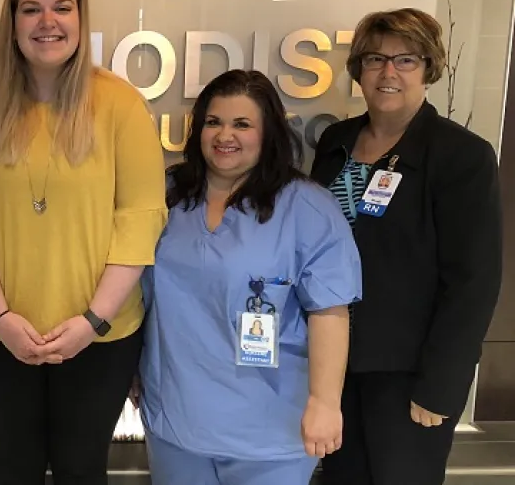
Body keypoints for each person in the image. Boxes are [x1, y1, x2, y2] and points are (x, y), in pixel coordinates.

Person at [0, 0, 167, 484]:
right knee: (13, 467)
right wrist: (1, 319)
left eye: (62, 8)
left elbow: (139, 221)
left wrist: (92, 321)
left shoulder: (120, 104)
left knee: (81, 469)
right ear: (12, 21)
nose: (48, 22)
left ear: (80, 19)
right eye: (31, 9)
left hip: (100, 337)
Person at [137, 69, 362, 485]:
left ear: (269, 133)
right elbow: (140, 293)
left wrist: (325, 402)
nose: (225, 135)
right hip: (175, 422)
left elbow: (330, 310)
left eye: (242, 124)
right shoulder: (166, 194)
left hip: (270, 432)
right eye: (213, 122)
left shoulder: (308, 209)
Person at [310, 8, 502, 485]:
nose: (388, 72)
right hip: (333, 366)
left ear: (429, 67)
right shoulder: (336, 141)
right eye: (375, 58)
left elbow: (473, 282)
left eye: (405, 60)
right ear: (358, 69)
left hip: (409, 376)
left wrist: (441, 386)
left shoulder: (462, 156)